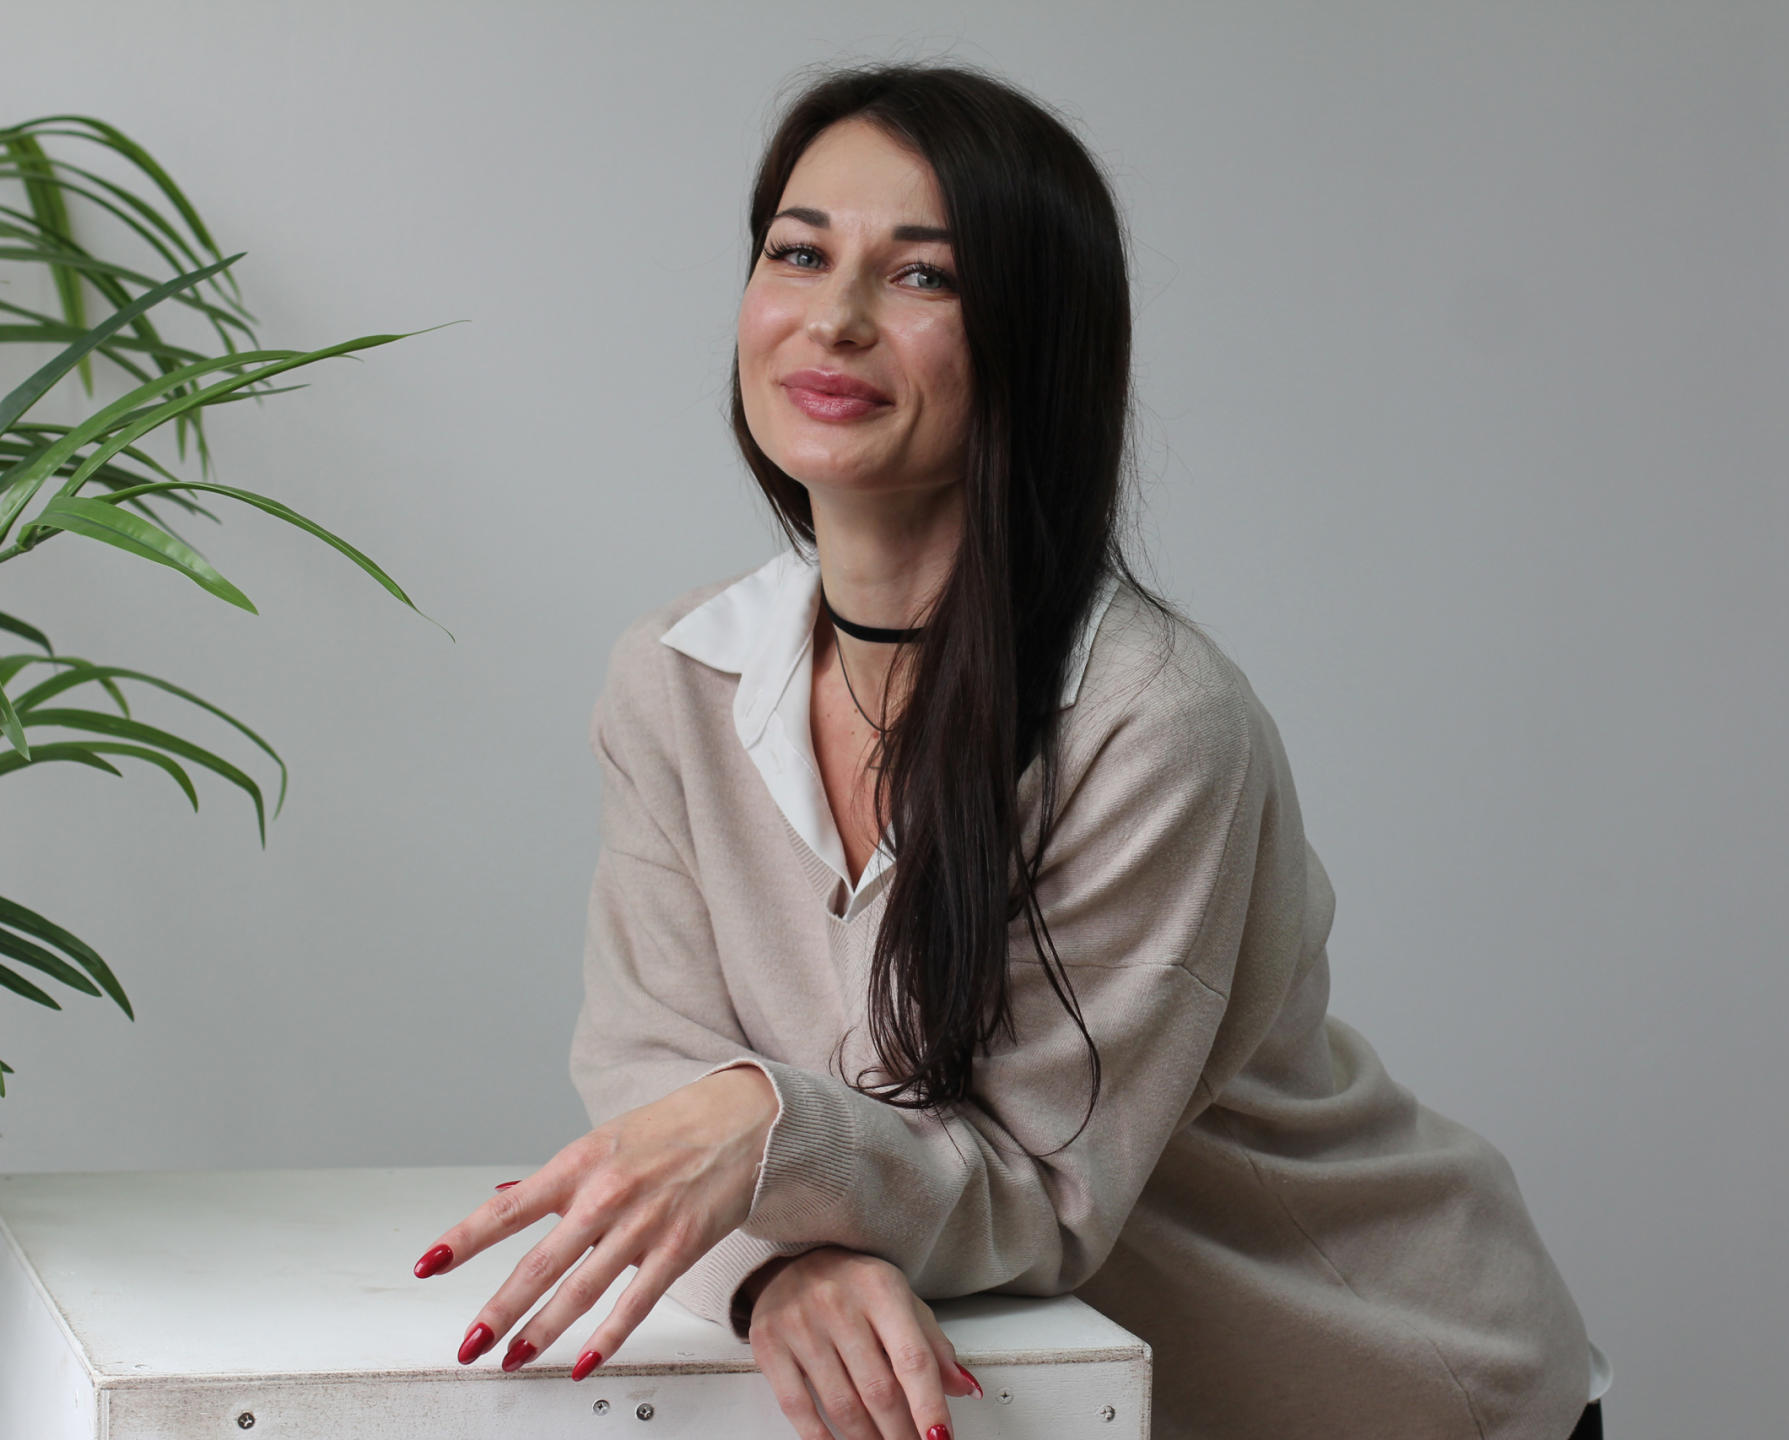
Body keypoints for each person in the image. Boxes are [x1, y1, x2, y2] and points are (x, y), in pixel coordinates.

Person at [410, 61, 1612, 1440]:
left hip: (1386, 1390)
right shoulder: (675, 680)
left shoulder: (1152, 721)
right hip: (1070, 1404)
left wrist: (761, 1141)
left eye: (923, 276)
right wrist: (781, 1265)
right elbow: (650, 1073)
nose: (835, 318)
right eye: (798, 254)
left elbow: (1042, 1191)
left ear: (1033, 342)